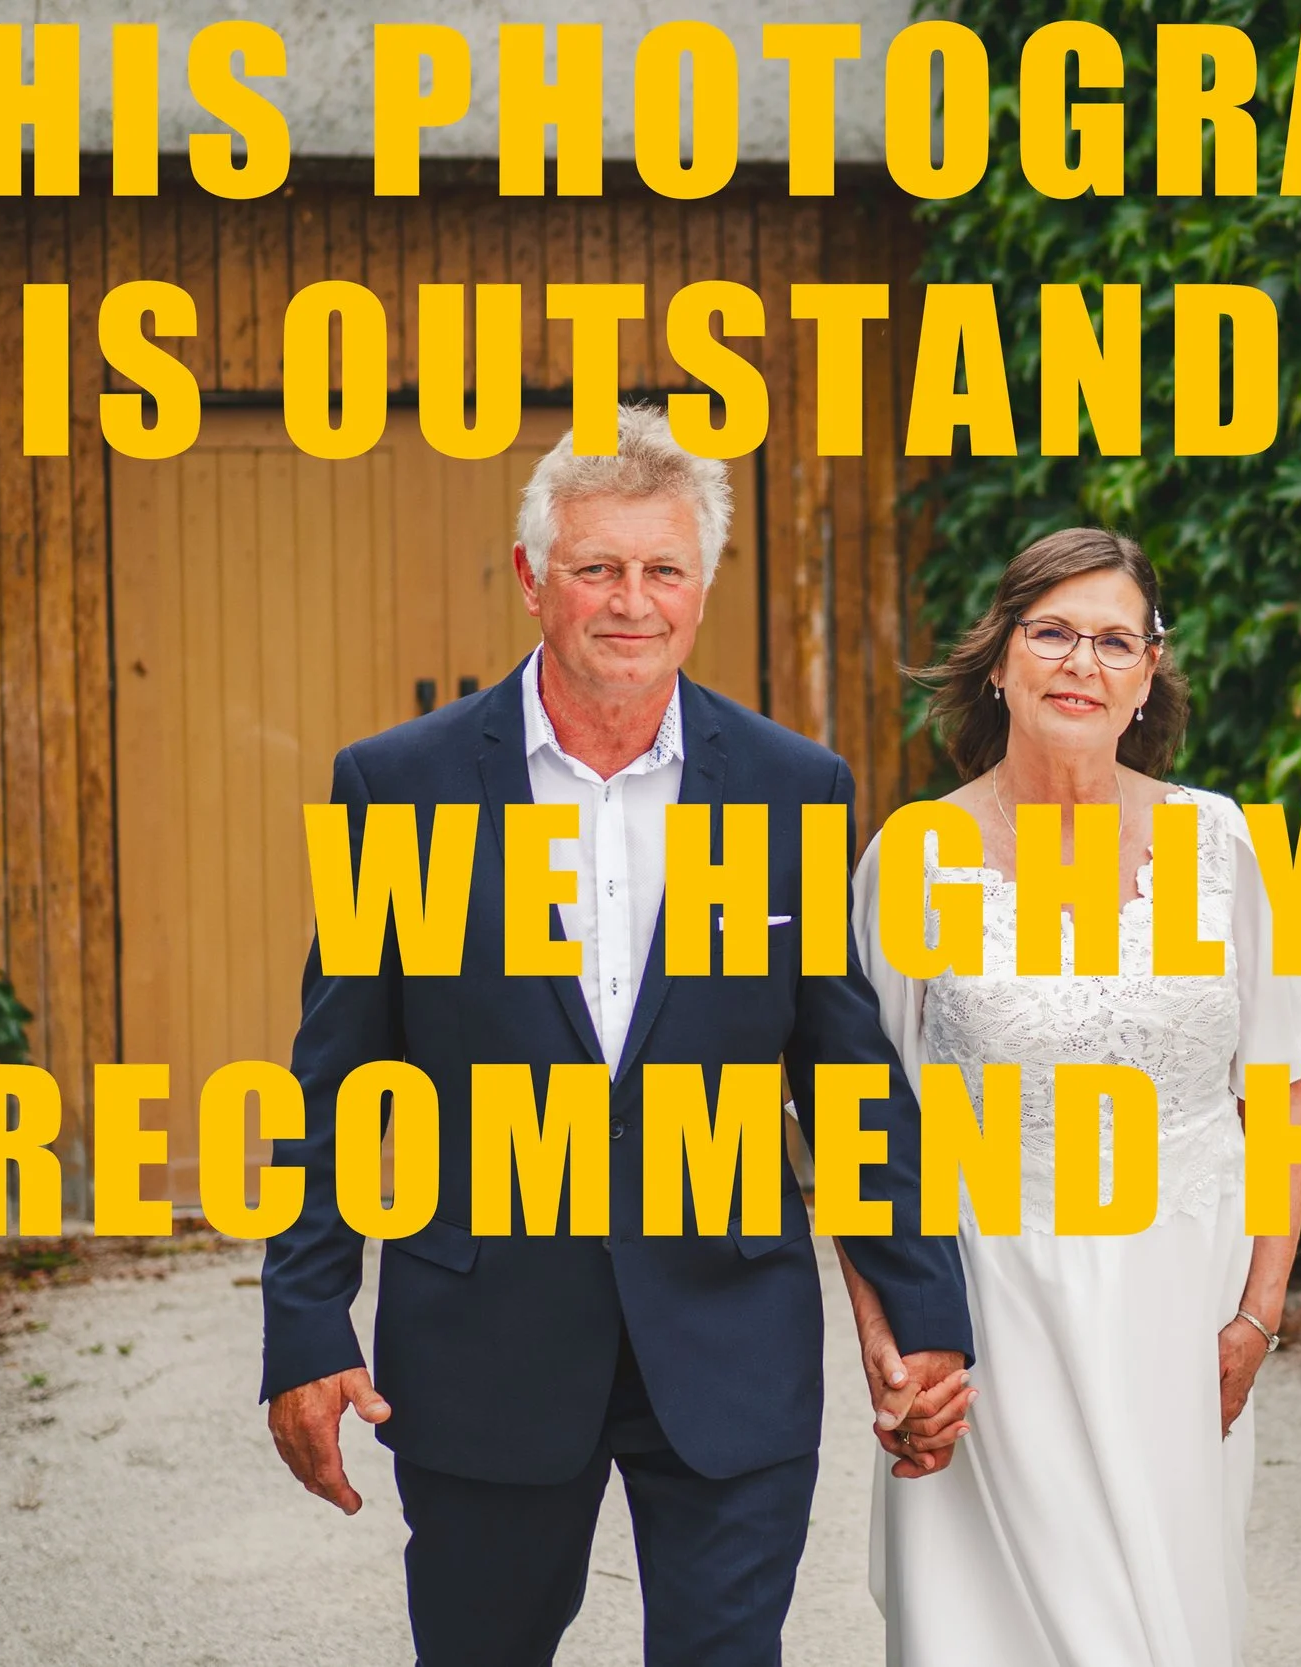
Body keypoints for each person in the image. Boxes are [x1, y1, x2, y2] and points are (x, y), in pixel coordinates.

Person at [258, 403, 973, 1667]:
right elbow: (336, 1078)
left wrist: (921, 1307)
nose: (632, 602)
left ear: (703, 584)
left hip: (729, 1332)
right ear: (533, 576)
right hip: (484, 1342)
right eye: (597, 567)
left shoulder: (792, 787)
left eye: (663, 569)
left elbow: (846, 1072)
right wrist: (306, 1324)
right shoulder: (399, 786)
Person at [844, 527, 1301, 1666]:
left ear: (1148, 672)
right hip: (992, 1314)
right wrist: (893, 1345)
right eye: (1053, 632)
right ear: (1000, 658)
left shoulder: (1224, 843)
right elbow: (868, 1124)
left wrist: (1257, 1318)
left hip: (1183, 1310)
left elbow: (1281, 1092)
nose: (1082, 663)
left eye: (1115, 641)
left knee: (1166, 1623)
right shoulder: (916, 855)